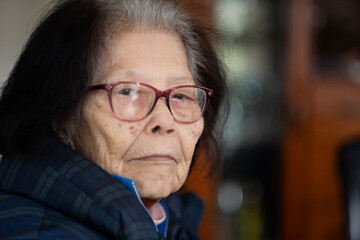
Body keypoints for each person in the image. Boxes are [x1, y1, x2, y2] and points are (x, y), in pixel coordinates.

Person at [0, 0, 227, 239]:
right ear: (61, 115)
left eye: (181, 95)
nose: (164, 121)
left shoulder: (168, 221)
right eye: (128, 91)